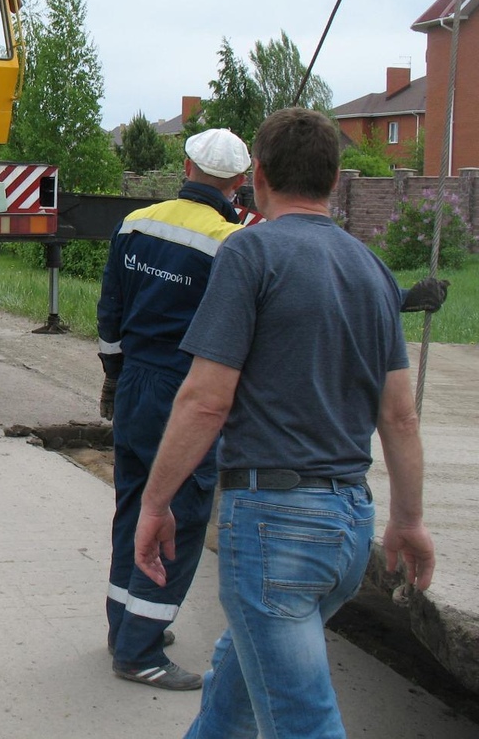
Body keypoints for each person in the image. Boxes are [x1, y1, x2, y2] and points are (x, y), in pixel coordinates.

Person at [134, 108, 435, 737]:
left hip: (276, 528)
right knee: (238, 684)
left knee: (301, 721)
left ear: (259, 175)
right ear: (333, 178)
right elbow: (400, 417)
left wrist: (155, 501)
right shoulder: (373, 269)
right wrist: (408, 520)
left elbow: (205, 401)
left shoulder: (249, 253)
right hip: (350, 527)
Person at [97, 127, 252, 691]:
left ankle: (126, 627)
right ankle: (140, 653)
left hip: (135, 379)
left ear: (186, 165)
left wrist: (114, 375)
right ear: (239, 181)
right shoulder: (232, 241)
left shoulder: (138, 222)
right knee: (179, 518)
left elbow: (110, 306)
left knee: (135, 507)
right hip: (185, 393)